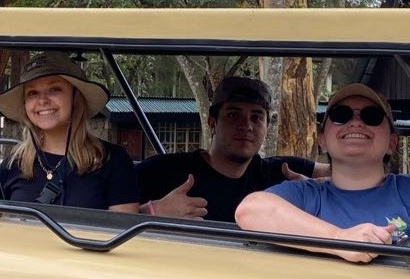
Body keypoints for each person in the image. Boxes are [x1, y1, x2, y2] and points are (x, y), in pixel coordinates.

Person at [235, 83, 410, 263]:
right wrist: (340, 240)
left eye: (371, 116)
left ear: (392, 141)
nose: (356, 121)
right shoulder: (307, 195)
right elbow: (250, 211)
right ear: (322, 139)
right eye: (341, 114)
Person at [136, 76, 330, 222]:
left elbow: (346, 174)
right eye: (233, 115)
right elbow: (107, 212)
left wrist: (316, 192)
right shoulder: (163, 171)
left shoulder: (283, 173)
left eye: (256, 117)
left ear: (267, 127)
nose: (247, 126)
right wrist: (152, 212)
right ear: (212, 122)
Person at [0, 54, 139, 212]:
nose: (42, 100)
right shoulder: (13, 165)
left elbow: (122, 232)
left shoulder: (113, 161)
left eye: (54, 89)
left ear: (76, 98)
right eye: (32, 93)